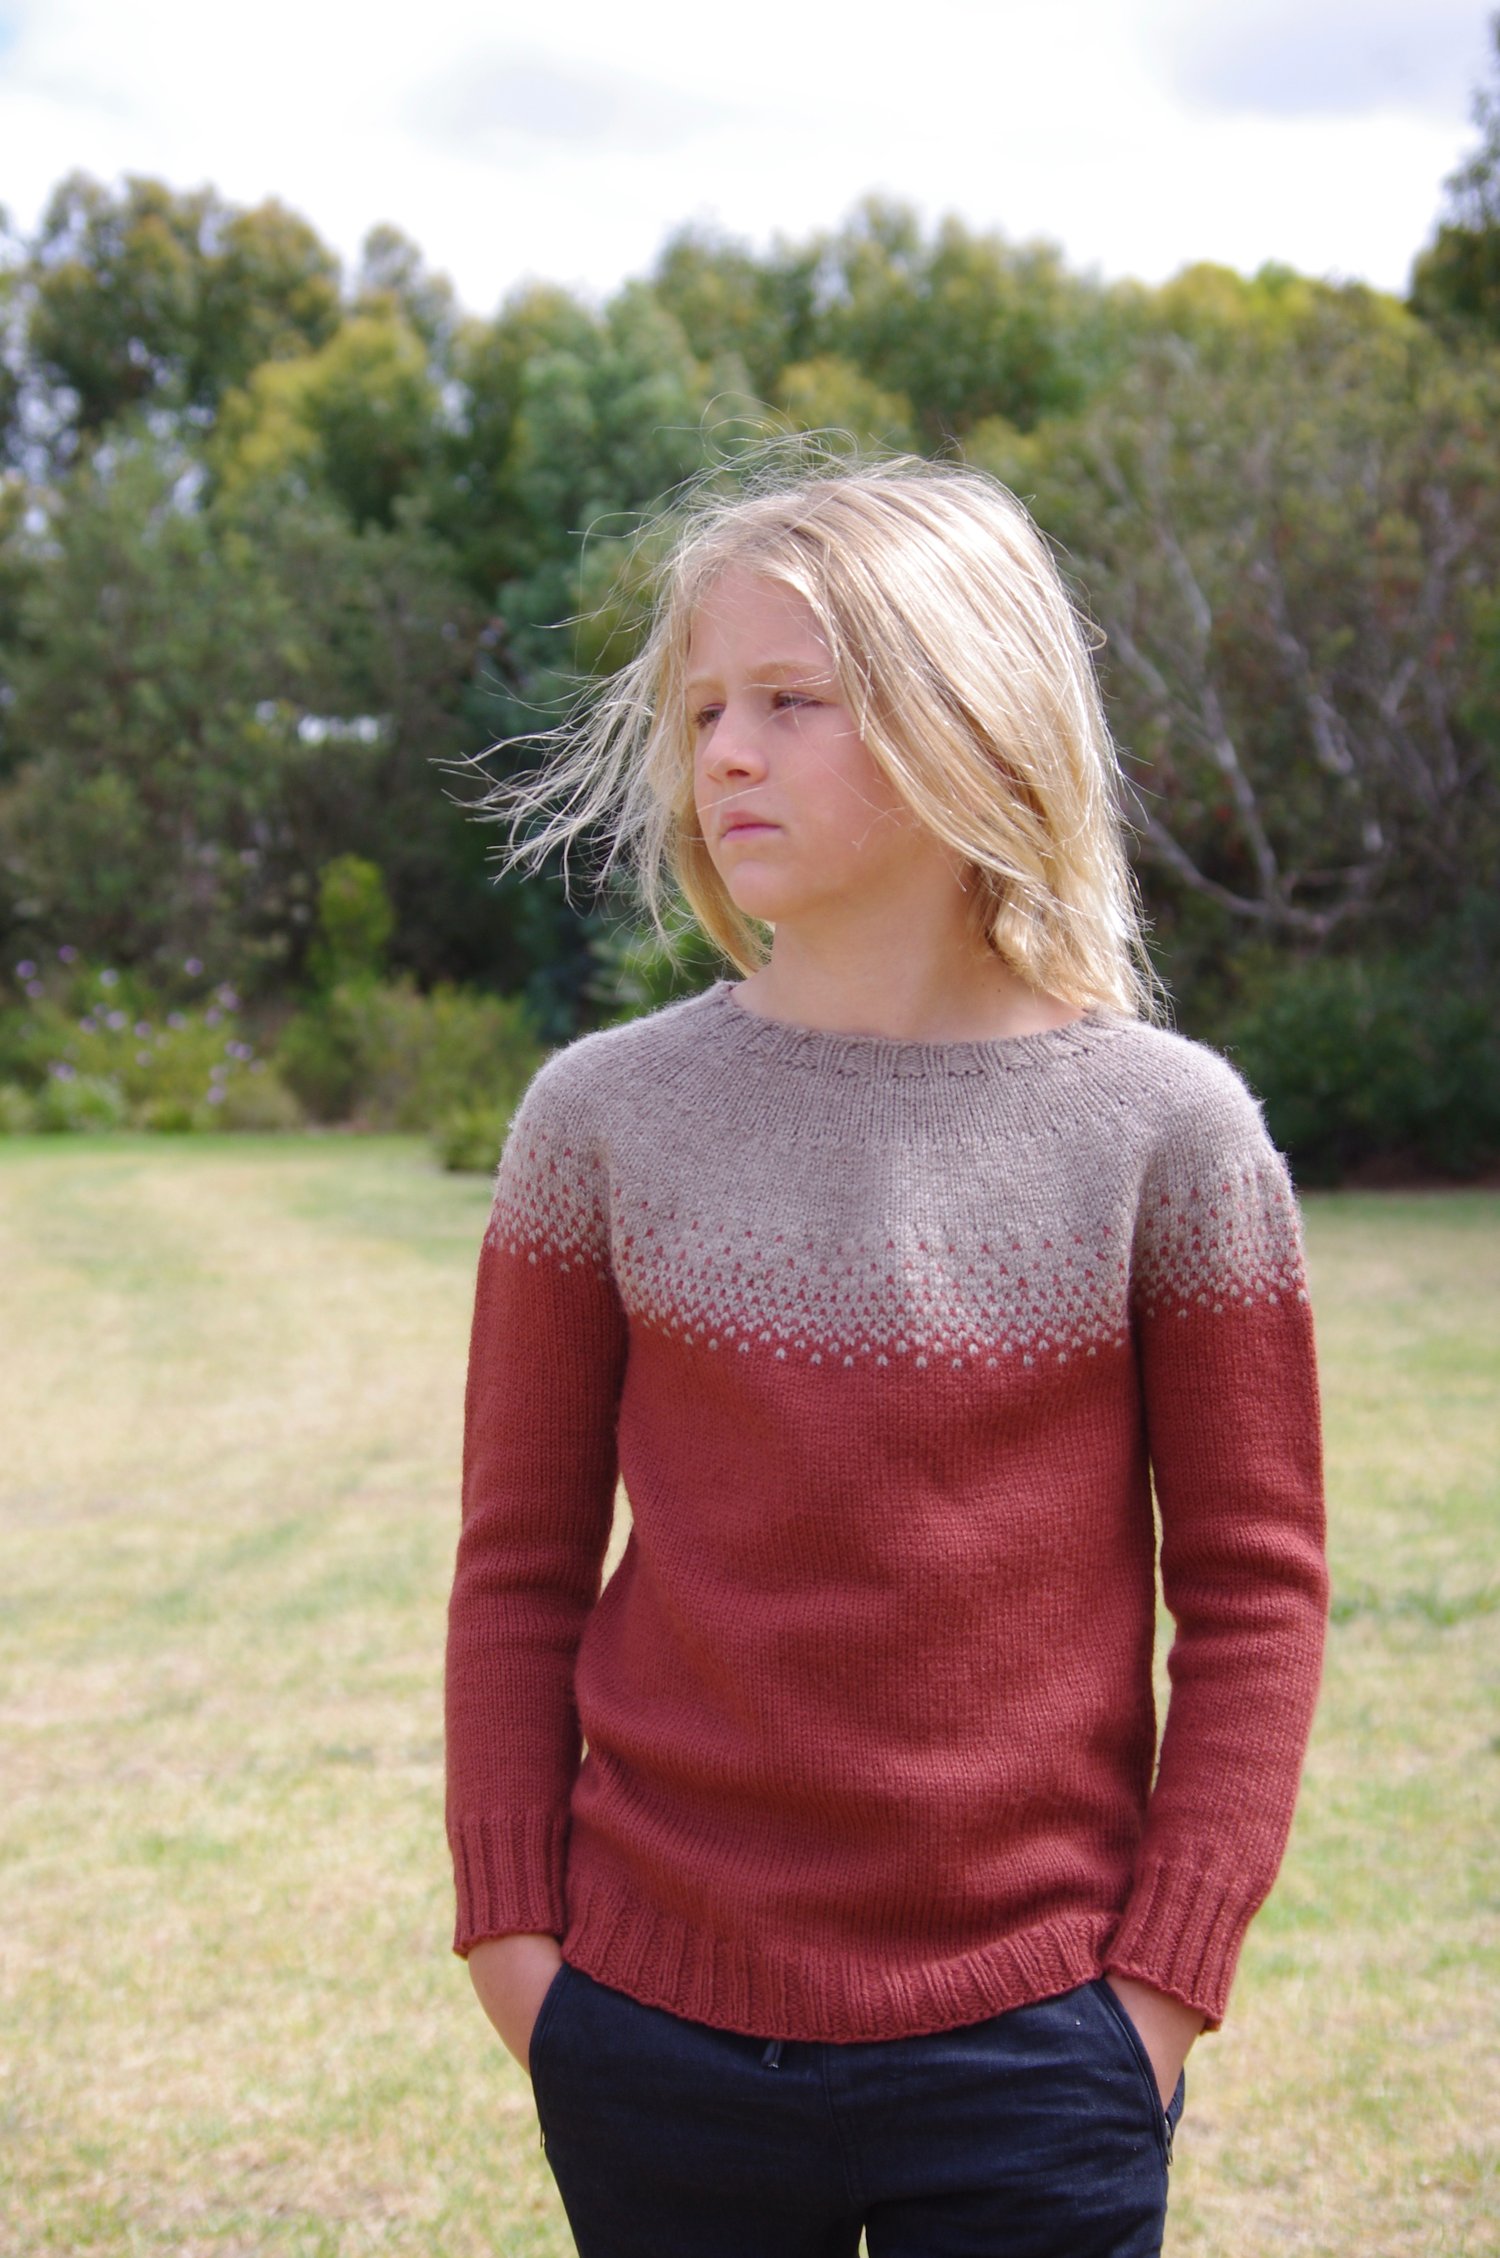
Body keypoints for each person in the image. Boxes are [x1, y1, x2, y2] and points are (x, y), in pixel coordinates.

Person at [444, 453, 1328, 2258]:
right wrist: (520, 1950)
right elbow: (517, 1566)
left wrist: (1155, 1996)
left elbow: (1257, 1592)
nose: (727, 753)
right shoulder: (599, 1122)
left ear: (970, 719)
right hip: (650, 2029)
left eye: (793, 700)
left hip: (1041, 2043)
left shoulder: (1169, 1134)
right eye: (704, 707)